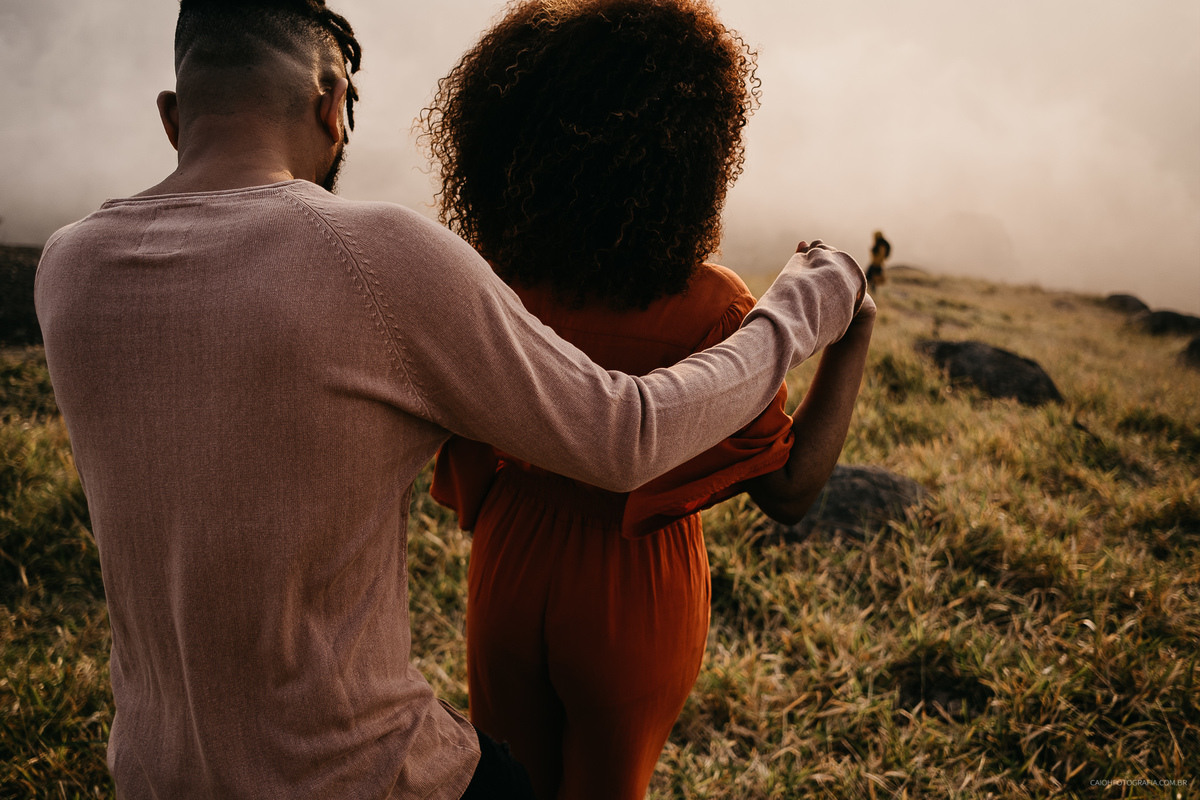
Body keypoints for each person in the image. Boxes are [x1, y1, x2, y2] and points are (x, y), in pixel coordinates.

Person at [32, 1, 866, 798]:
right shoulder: (375, 260)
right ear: (332, 108)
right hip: (360, 777)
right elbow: (625, 435)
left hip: (154, 774)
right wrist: (802, 309)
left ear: (173, 116)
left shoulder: (64, 272)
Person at [420, 2, 875, 798]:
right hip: (633, 586)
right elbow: (792, 493)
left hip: (511, 559)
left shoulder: (497, 280)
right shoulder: (715, 309)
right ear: (693, 147)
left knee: (507, 783)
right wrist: (854, 329)